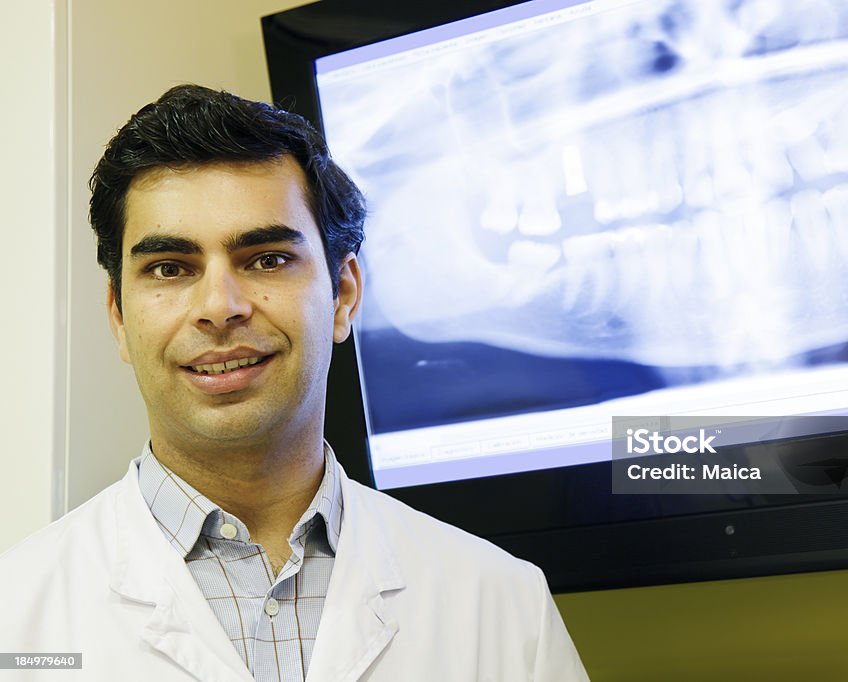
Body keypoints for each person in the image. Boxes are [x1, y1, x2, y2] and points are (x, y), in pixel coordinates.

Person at [0, 84, 589, 681]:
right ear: (119, 317)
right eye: (170, 268)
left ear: (344, 296)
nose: (219, 307)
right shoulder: (15, 618)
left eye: (267, 259)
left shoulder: (504, 606)